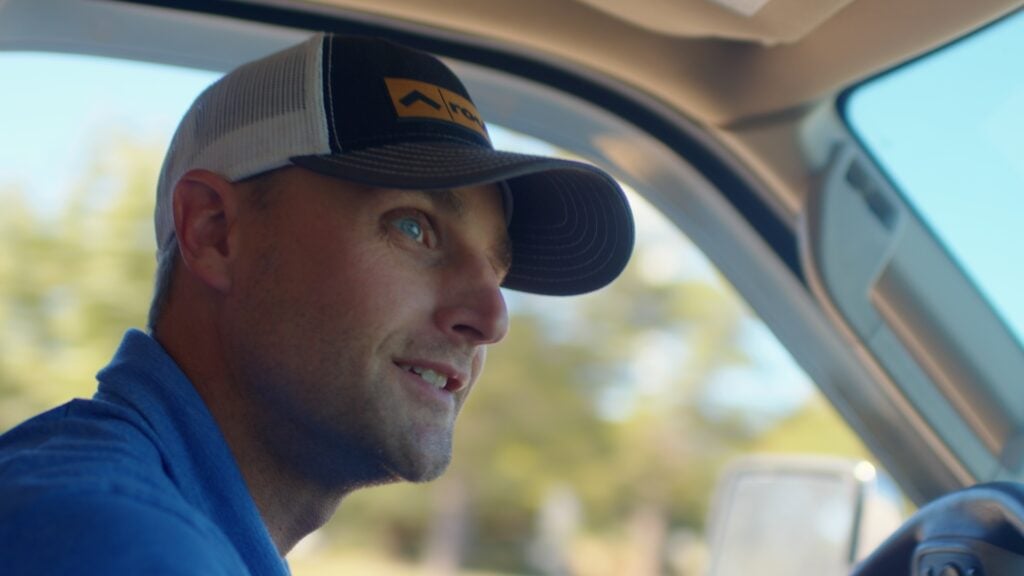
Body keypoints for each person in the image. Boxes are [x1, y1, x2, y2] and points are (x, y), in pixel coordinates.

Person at [0, 33, 634, 574]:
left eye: (497, 267)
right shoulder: (111, 541)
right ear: (214, 232)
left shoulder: (151, 515)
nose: (493, 318)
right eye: (413, 227)